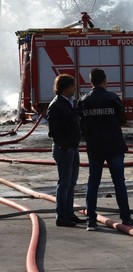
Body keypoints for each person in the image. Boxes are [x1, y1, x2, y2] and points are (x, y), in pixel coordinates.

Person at [79, 68, 133, 231]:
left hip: (95, 147)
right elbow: (122, 119)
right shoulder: (112, 98)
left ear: (90, 82)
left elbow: (82, 125)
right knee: (119, 182)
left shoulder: (84, 100)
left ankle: (91, 220)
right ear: (105, 81)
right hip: (114, 146)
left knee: (93, 183)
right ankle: (126, 219)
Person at [46, 74, 86, 227]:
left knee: (71, 183)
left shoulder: (70, 103)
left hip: (72, 148)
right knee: (64, 183)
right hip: (65, 150)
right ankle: (61, 216)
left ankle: (69, 213)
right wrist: (65, 146)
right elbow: (53, 131)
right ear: (65, 87)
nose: (74, 89)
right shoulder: (56, 105)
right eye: (72, 86)